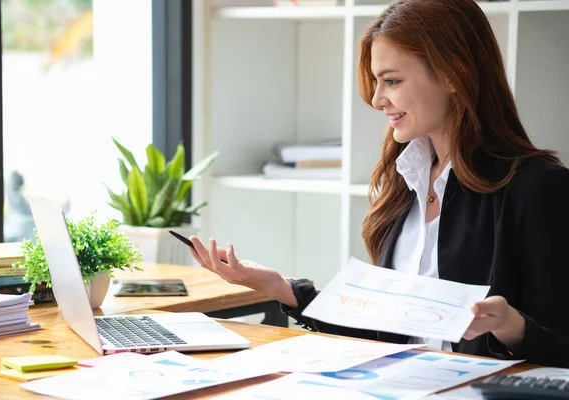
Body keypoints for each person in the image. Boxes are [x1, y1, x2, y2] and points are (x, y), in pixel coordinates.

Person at [187, 0, 569, 368]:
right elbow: (388, 333)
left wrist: (510, 327)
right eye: (376, 81)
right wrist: (281, 288)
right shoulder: (406, 181)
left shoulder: (537, 188)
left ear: (455, 74)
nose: (376, 99)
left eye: (392, 80)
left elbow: (561, 345)